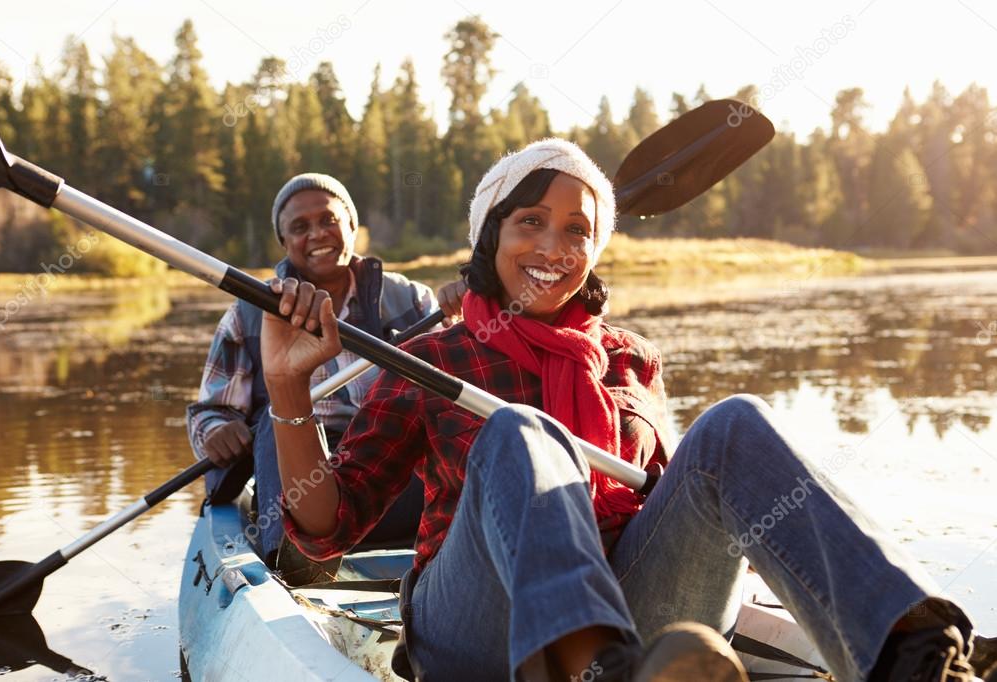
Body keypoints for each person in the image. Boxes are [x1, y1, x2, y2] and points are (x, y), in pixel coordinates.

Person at [258, 140, 978, 681]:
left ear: (593, 250)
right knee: (522, 428)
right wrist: (288, 391)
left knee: (732, 421)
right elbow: (326, 533)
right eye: (529, 221)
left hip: (637, 617)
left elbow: (675, 503)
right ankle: (579, 659)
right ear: (490, 236)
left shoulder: (629, 356)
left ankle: (917, 654)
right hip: (477, 627)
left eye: (576, 230)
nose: (552, 246)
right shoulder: (432, 362)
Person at [187, 172, 451, 564]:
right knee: (272, 426)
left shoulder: (412, 300)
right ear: (284, 243)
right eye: (299, 227)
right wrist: (215, 430)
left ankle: (455, 551)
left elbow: (460, 390)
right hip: (299, 483)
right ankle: (293, 565)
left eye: (329, 220)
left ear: (352, 227)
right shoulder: (247, 313)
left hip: (395, 472)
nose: (317, 234)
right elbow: (212, 410)